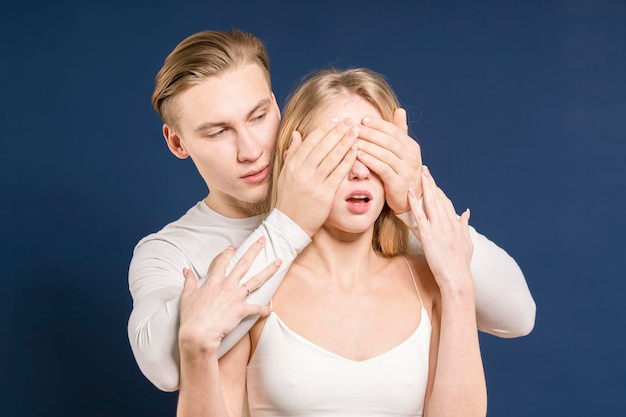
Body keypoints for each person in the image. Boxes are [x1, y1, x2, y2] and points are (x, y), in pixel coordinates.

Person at [128, 29, 535, 392]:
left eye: (259, 115)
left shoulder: (359, 214)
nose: (251, 150)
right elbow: (166, 368)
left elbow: (517, 315)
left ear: (277, 105)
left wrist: (416, 199)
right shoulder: (171, 252)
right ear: (177, 143)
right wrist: (289, 223)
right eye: (218, 131)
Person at [176, 67, 487, 417]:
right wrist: (196, 350)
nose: (359, 171)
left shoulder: (432, 283)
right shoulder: (252, 284)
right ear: (294, 159)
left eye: (377, 151)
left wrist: (459, 286)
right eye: (338, 151)